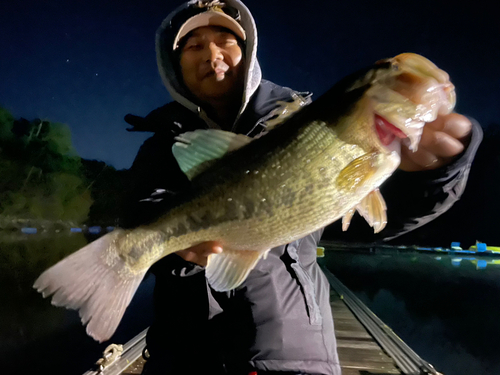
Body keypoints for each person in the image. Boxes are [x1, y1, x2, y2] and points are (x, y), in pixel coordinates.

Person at [122, 1, 483, 374]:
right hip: (184, 356)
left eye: (226, 41)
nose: (213, 54)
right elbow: (134, 215)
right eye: (194, 46)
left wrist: (438, 173)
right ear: (174, 63)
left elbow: (377, 222)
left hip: (293, 357)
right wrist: (173, 246)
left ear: (247, 53)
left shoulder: (304, 117)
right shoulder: (160, 148)